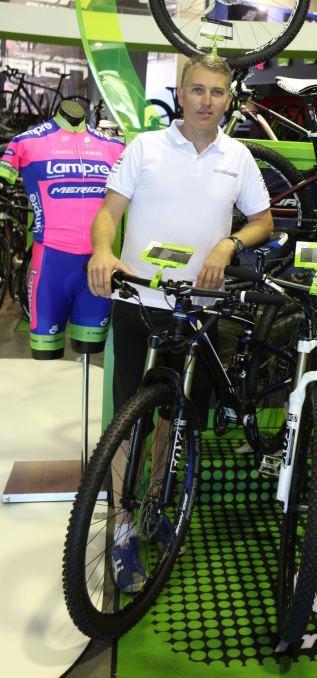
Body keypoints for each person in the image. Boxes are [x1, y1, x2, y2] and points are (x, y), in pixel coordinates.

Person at [87, 53, 273, 593]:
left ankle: (152, 507)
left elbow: (262, 220)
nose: (206, 101)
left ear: (228, 100)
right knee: (129, 420)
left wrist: (230, 242)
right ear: (180, 92)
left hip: (199, 310)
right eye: (197, 90)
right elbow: (109, 212)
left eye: (217, 93)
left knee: (172, 419)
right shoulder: (145, 147)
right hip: (142, 300)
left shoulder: (237, 157)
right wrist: (104, 251)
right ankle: (121, 531)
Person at [0, 98, 124, 358]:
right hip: (50, 266)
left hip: (99, 265)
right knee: (45, 357)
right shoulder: (26, 141)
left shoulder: (113, 146)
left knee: (91, 354)